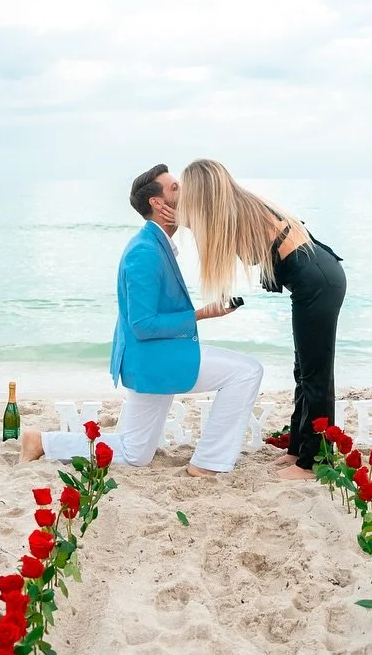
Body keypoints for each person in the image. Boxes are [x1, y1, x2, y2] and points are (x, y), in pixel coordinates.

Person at [20, 165, 264, 477]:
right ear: (157, 203)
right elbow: (143, 325)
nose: (184, 191)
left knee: (135, 452)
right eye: (175, 188)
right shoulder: (145, 252)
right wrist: (204, 313)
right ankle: (208, 463)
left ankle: (42, 442)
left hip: (150, 359)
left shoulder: (155, 244)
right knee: (246, 371)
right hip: (155, 359)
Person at [177, 159, 346, 481]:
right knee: (303, 370)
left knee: (316, 374)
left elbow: (240, 249)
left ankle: (314, 463)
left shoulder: (235, 213)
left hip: (318, 281)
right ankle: (299, 449)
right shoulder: (239, 206)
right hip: (314, 277)